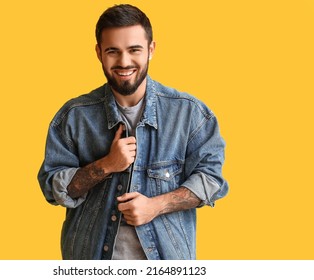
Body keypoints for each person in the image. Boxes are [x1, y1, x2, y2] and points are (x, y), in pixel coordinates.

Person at [38, 4, 228, 260]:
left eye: (134, 50)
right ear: (99, 53)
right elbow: (52, 188)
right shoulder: (73, 116)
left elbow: (211, 181)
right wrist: (106, 165)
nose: (124, 62)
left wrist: (155, 206)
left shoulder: (190, 114)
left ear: (151, 50)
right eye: (113, 51)